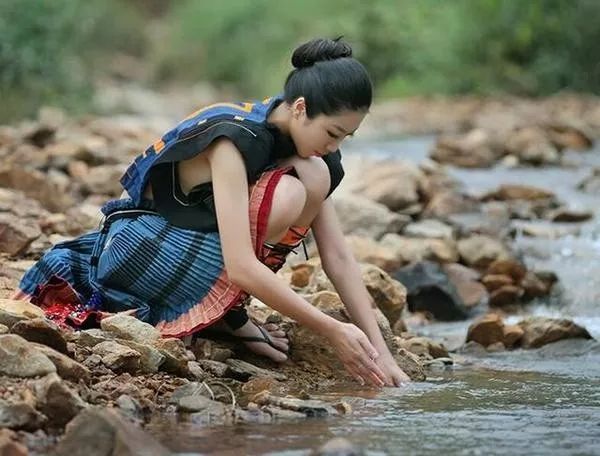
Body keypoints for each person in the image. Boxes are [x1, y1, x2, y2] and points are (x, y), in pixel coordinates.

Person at [15, 37, 410, 387]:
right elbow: (240, 265)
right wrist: (332, 330)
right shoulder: (234, 140)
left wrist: (382, 354)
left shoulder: (306, 149)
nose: (335, 145)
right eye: (333, 133)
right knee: (288, 191)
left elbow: (337, 256)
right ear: (301, 109)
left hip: (195, 248)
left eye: (345, 137)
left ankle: (224, 311)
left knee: (315, 173)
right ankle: (226, 311)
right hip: (139, 248)